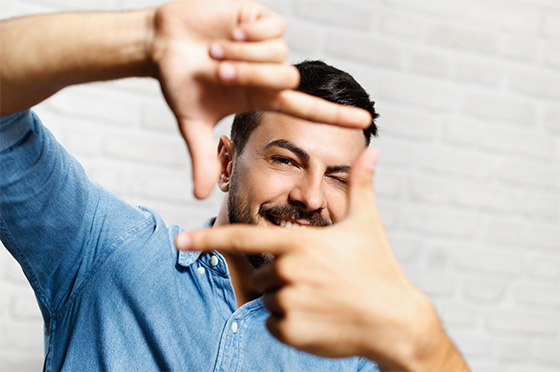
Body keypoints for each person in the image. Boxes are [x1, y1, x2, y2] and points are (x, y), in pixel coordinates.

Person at [0, 1, 469, 372]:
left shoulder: (359, 353)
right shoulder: (109, 255)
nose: (310, 196)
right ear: (227, 163)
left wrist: (426, 344)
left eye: (337, 177)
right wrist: (146, 39)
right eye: (286, 159)